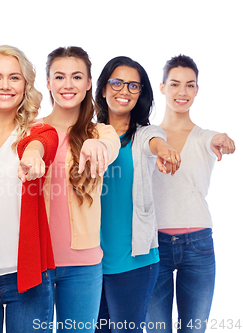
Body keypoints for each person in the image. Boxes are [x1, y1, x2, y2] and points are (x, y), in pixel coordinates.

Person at [0, 45, 58, 333]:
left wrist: (32, 155)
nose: (5, 85)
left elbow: (41, 144)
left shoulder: (38, 132)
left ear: (26, 85)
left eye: (14, 78)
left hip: (27, 277)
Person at [146, 55, 236, 333]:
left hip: (198, 245)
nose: (182, 92)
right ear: (162, 87)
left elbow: (218, 139)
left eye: (189, 85)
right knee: (157, 329)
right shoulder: (147, 136)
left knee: (193, 329)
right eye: (174, 84)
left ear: (197, 89)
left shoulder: (204, 136)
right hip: (153, 246)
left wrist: (224, 140)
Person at [94, 56, 181, 333]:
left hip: (134, 261)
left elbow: (156, 142)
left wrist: (165, 150)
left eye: (134, 86)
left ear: (141, 93)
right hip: (89, 263)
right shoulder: (88, 134)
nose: (125, 91)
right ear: (104, 88)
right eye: (117, 82)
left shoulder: (144, 134)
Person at [42, 46, 120, 332]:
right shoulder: (30, 132)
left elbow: (109, 148)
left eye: (77, 77)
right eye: (59, 77)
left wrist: (94, 143)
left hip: (83, 267)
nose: (68, 85)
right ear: (48, 83)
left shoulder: (102, 132)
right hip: (36, 262)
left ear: (88, 84)